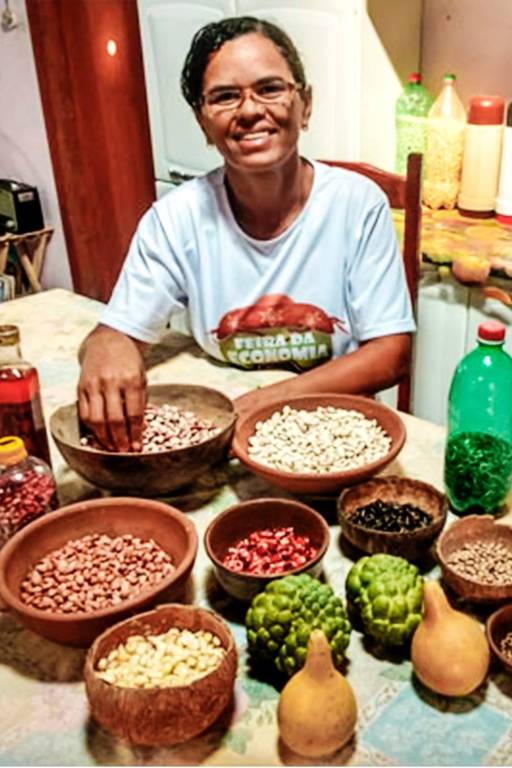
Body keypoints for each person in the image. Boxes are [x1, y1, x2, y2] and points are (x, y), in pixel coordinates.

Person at [78, 16, 415, 452]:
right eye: (224, 97)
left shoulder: (357, 205)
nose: (251, 110)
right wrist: (107, 344)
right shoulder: (175, 219)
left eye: (270, 88)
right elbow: (114, 333)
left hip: (335, 427)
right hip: (224, 432)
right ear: (202, 123)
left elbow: (390, 352)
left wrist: (264, 403)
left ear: (305, 105)